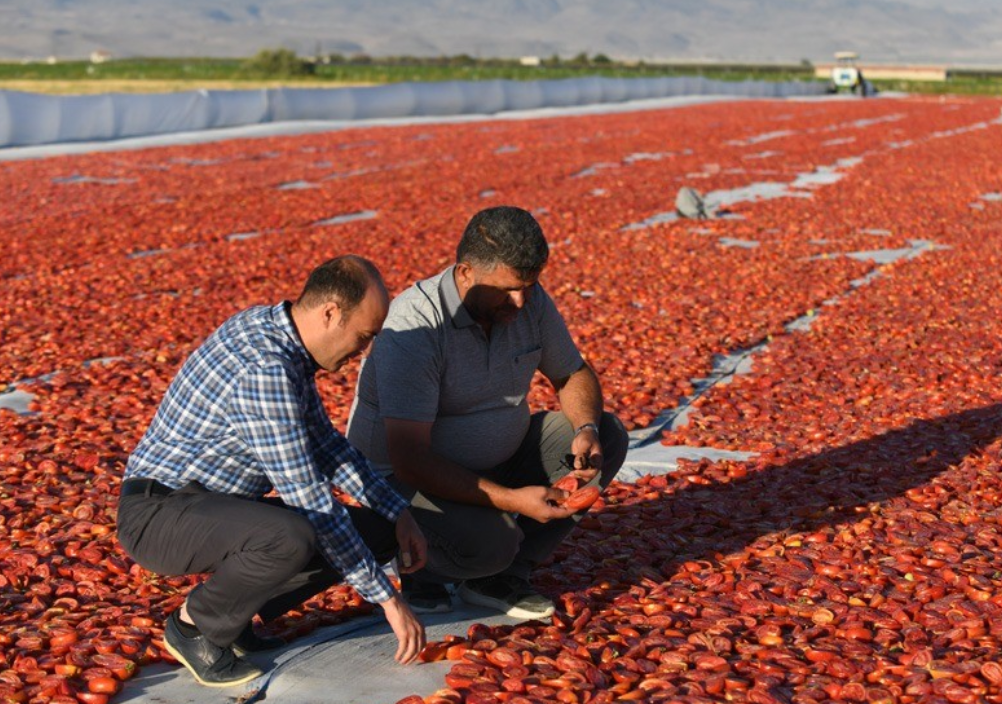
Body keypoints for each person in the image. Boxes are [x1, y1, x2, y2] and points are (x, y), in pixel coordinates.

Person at [117, 255, 428, 688]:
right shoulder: (266, 370)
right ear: (330, 313)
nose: (363, 352)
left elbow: (327, 447)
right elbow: (310, 499)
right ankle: (194, 627)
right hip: (159, 512)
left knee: (375, 530)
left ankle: (234, 615)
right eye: (364, 336)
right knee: (291, 535)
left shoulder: (278, 338)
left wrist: (399, 514)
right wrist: (388, 600)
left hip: (213, 506)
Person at [346, 205, 628, 620]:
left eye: (528, 286)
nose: (520, 301)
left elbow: (572, 374)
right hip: (405, 483)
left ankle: (501, 577)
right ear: (465, 273)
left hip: (497, 458)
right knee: (490, 543)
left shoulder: (527, 300)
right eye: (507, 289)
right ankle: (421, 562)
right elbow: (410, 459)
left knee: (609, 433)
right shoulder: (415, 329)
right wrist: (513, 499)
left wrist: (585, 427)